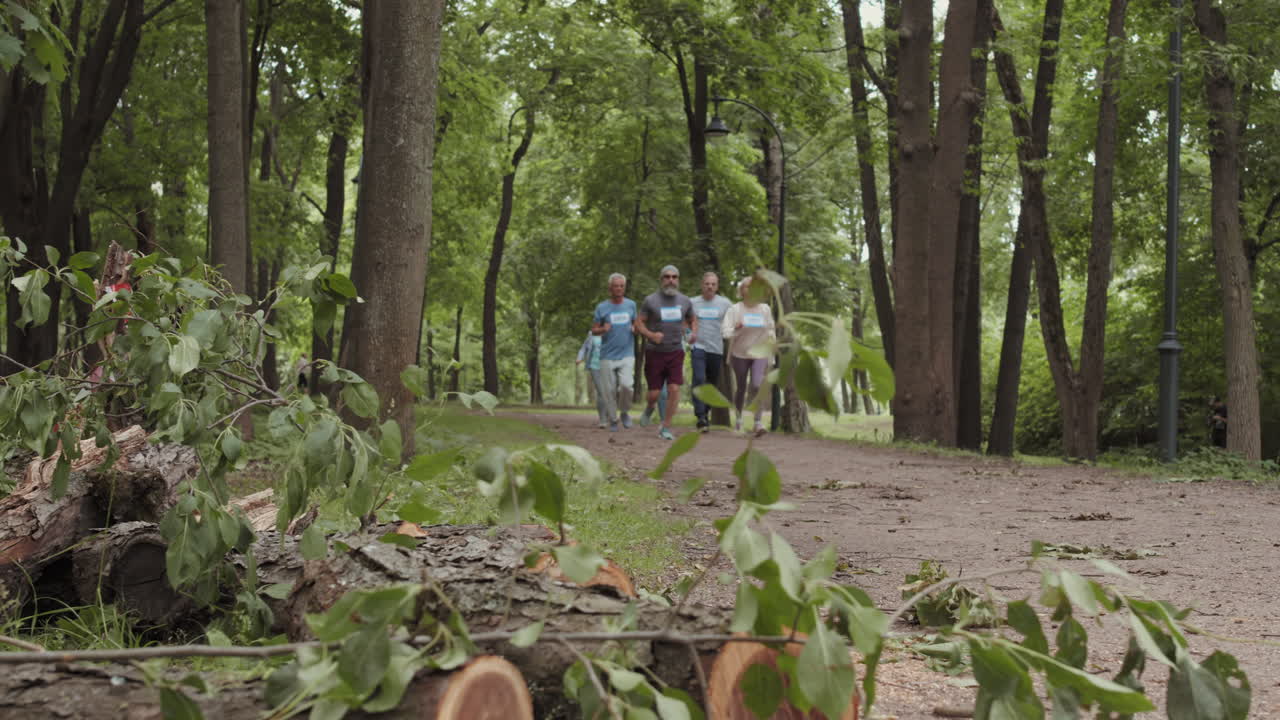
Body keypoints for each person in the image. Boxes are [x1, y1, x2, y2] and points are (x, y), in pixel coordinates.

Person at [636, 265, 696, 440]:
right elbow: (638, 323)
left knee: (674, 389)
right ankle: (649, 407)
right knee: (654, 393)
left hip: (676, 351)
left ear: (678, 280)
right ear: (661, 279)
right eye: (667, 277)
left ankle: (666, 427)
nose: (671, 280)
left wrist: (692, 333)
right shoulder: (650, 300)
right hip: (655, 352)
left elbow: (692, 320)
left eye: (674, 277)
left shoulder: (685, 301)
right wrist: (650, 335)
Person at [722, 276, 776, 436]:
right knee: (741, 388)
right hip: (739, 354)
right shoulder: (735, 309)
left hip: (760, 353)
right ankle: (738, 420)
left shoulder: (765, 309)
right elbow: (725, 332)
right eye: (746, 287)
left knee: (757, 385)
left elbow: (771, 328)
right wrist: (737, 328)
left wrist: (772, 341)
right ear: (741, 291)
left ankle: (758, 423)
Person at [592, 273, 638, 431]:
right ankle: (613, 419)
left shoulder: (631, 305)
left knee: (627, 386)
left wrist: (635, 328)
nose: (619, 289)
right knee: (609, 390)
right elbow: (594, 330)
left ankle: (624, 412)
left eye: (621, 286)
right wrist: (602, 329)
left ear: (624, 288)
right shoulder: (602, 307)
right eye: (616, 286)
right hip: (607, 355)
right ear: (610, 288)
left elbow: (636, 324)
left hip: (627, 352)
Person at [689, 271, 732, 433]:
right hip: (698, 347)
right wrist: (688, 335)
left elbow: (732, 321)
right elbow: (684, 321)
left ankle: (705, 414)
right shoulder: (692, 302)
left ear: (717, 286)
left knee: (711, 383)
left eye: (713, 284)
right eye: (707, 284)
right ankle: (700, 415)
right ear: (702, 285)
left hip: (716, 348)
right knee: (699, 378)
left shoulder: (725, 303)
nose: (710, 287)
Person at [576, 330, 607, 428]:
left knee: (608, 391)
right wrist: (579, 358)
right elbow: (583, 348)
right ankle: (603, 419)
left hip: (609, 366)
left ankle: (608, 414)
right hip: (595, 366)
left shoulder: (613, 330)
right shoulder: (591, 333)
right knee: (601, 391)